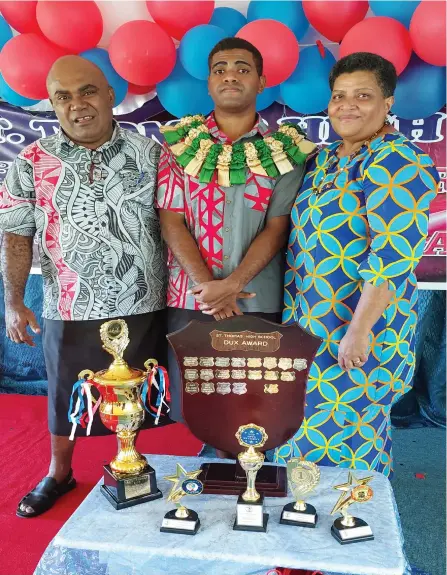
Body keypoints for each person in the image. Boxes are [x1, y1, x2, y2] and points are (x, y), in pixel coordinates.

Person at [0, 56, 166, 517]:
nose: (78, 105)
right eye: (63, 96)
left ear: (110, 95)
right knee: (63, 396)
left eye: (88, 91)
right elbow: (16, 234)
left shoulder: (150, 153)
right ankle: (59, 473)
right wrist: (13, 302)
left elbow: (175, 224)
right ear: (52, 104)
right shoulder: (33, 161)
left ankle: (131, 467)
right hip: (67, 301)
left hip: (143, 298)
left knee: (137, 394)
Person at [276, 52, 440, 477]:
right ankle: (305, 512)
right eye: (339, 96)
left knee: (351, 432)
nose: (347, 105)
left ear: (388, 103)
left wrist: (359, 331)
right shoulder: (326, 159)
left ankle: (356, 517)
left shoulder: (397, 161)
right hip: (311, 321)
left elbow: (392, 257)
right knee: (303, 424)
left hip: (361, 327)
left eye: (362, 95)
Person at [156, 37, 316, 428]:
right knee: (198, 406)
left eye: (243, 69)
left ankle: (246, 481)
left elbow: (278, 227)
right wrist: (209, 287)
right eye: (220, 69)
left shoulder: (284, 151)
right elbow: (171, 221)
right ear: (209, 83)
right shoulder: (179, 146)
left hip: (256, 299)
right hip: (191, 299)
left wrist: (234, 284)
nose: (231, 76)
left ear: (261, 82)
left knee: (253, 407)